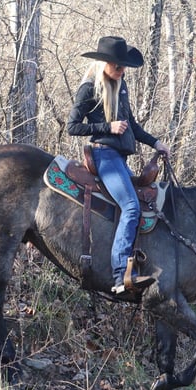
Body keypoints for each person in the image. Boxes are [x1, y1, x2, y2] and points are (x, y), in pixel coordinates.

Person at [67, 36, 170, 295]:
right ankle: (120, 275)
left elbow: (132, 126)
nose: (121, 70)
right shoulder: (89, 88)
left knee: (143, 204)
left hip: (119, 159)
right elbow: (72, 126)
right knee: (132, 207)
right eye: (117, 65)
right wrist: (107, 127)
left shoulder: (121, 87)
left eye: (123, 66)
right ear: (104, 63)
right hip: (104, 156)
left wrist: (156, 142)